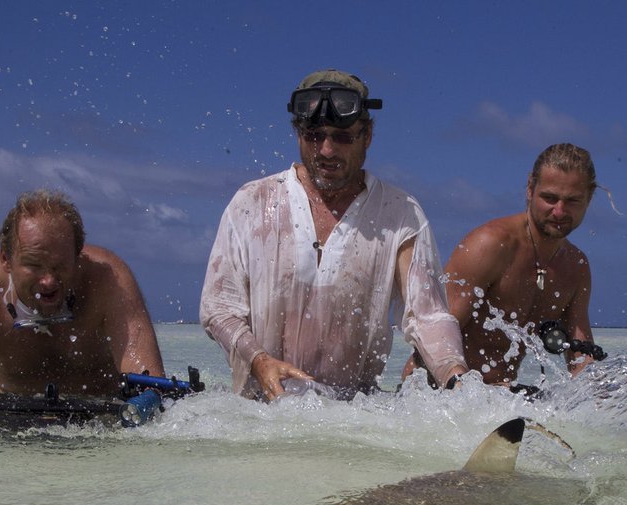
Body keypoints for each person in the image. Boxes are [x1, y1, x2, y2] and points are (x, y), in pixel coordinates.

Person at [199, 69, 467, 400]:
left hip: (353, 418)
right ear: (298, 134)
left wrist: (458, 380)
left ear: (367, 135)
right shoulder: (252, 202)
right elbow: (217, 308)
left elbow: (429, 317)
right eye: (314, 136)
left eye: (342, 137)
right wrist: (259, 360)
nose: (326, 150)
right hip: (260, 413)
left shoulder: (400, 213)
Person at [0, 189, 164, 402]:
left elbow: (149, 386)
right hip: (11, 421)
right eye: (34, 265)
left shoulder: (109, 281)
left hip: (103, 416)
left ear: (78, 256)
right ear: (6, 260)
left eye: (60, 265)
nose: (49, 281)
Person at [410, 143, 601, 389]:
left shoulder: (576, 266)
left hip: (500, 398)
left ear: (589, 198)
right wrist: (461, 391)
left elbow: (580, 354)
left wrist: (602, 399)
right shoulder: (491, 245)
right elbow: (436, 334)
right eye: (550, 198)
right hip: (439, 392)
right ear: (530, 189)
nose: (559, 211)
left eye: (572, 201)